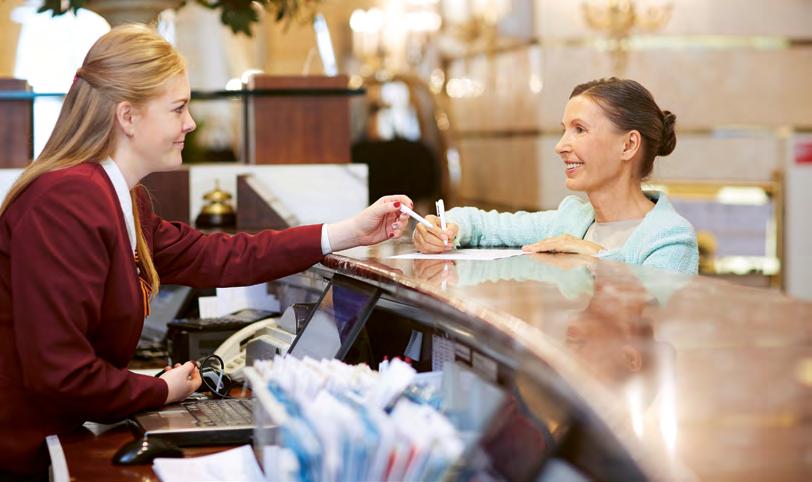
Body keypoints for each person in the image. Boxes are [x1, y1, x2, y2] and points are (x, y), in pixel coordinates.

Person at [0, 24, 412, 479]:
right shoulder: (66, 200)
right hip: (21, 455)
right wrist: (160, 390)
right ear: (128, 117)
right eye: (178, 108)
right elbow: (60, 373)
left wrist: (347, 232)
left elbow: (217, 255)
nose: (190, 123)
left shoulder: (118, 197)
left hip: (57, 436)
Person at [413, 78, 699, 274]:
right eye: (564, 130)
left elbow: (655, 313)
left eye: (580, 130)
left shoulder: (670, 237)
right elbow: (484, 225)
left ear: (628, 145)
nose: (561, 146)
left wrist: (594, 256)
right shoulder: (572, 219)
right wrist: (444, 228)